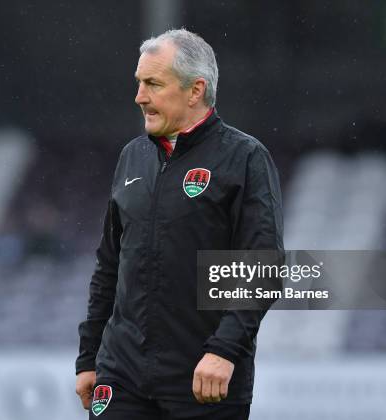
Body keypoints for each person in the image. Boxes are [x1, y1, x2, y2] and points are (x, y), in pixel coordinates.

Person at [76, 29, 283, 419]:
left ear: (195, 90)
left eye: (153, 84)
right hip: (121, 376)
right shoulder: (131, 157)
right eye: (139, 83)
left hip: (203, 378)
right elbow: (108, 266)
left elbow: (263, 266)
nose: (140, 96)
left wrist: (224, 350)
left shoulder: (245, 158)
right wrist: (89, 356)